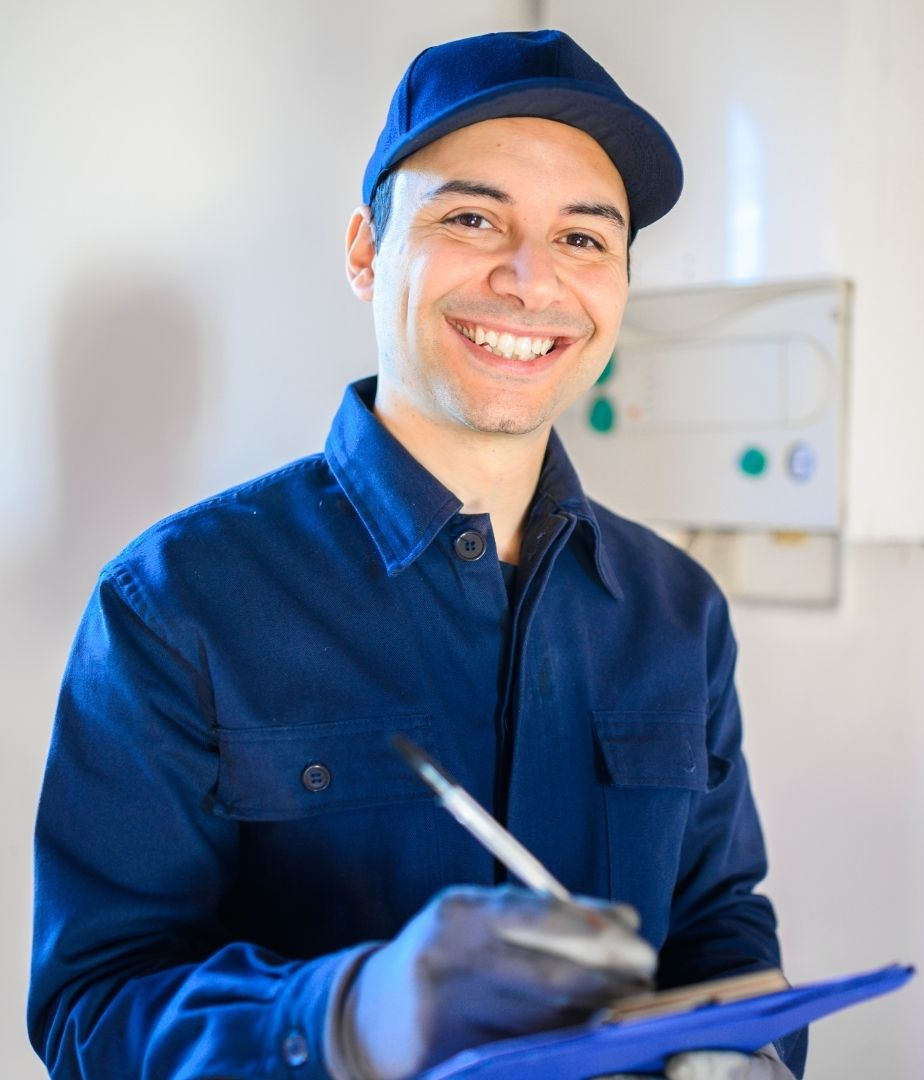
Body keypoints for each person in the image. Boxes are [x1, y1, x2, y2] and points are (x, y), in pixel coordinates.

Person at [28, 29, 807, 1080]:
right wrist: (345, 1018)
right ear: (366, 251)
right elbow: (92, 1010)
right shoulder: (174, 604)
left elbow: (718, 918)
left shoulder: (678, 612)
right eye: (472, 218)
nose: (530, 280)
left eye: (583, 238)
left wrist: (752, 1044)